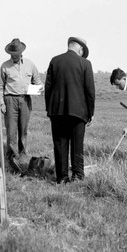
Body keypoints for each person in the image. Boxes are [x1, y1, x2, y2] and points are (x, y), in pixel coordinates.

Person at [45, 37, 95, 184]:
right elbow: (90, 91)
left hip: (57, 111)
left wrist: (50, 110)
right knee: (77, 145)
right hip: (79, 112)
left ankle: (62, 178)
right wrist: (90, 113)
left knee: (60, 144)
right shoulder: (85, 63)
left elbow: (48, 88)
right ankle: (78, 177)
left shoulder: (55, 61)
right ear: (80, 49)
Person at [0, 38, 43, 170]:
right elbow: (0, 86)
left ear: (21, 52)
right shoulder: (4, 66)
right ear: (10, 53)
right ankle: (12, 157)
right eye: (12, 53)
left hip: (25, 100)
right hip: (10, 99)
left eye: (16, 53)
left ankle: (23, 154)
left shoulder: (30, 64)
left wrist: (39, 88)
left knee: (23, 129)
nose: (14, 55)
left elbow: (38, 81)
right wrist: (2, 103)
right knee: (11, 130)